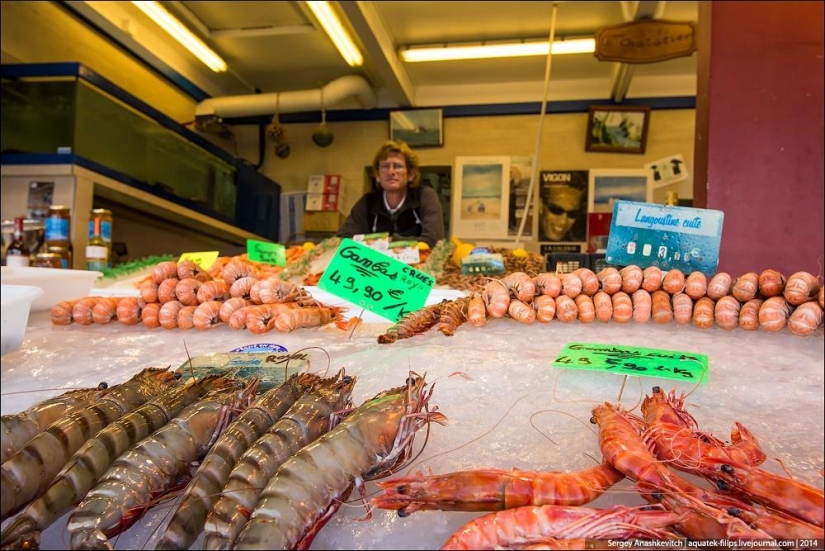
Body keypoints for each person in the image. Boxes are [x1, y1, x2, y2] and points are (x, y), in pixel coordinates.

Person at [336, 140, 445, 248]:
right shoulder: (368, 202)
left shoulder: (425, 196)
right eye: (385, 166)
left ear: (410, 175)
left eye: (398, 166)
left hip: (418, 264)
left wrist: (390, 241)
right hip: (375, 264)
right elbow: (342, 239)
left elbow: (433, 242)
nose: (391, 172)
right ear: (378, 176)